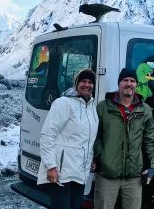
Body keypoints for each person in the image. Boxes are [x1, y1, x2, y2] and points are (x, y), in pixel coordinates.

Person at [94, 68, 154, 209]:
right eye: (125, 80)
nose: (129, 84)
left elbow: (149, 141)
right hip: (107, 174)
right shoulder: (103, 107)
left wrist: (153, 165)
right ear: (119, 84)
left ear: (136, 85)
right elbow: (95, 136)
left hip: (134, 176)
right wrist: (99, 157)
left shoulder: (145, 109)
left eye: (132, 81)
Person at [37, 68, 99, 209]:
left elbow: (88, 140)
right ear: (76, 83)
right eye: (83, 81)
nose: (87, 85)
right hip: (61, 172)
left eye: (90, 82)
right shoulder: (64, 103)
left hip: (80, 172)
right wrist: (50, 166)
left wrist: (91, 160)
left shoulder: (91, 107)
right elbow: (47, 135)